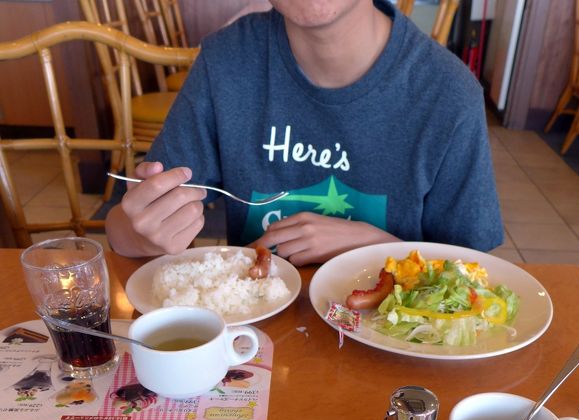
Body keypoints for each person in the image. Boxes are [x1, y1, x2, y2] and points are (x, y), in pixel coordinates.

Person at [106, 0, 504, 265]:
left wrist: (374, 247)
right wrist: (143, 235)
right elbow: (121, 228)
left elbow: (473, 272)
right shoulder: (227, 62)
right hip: (257, 349)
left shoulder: (449, 93)